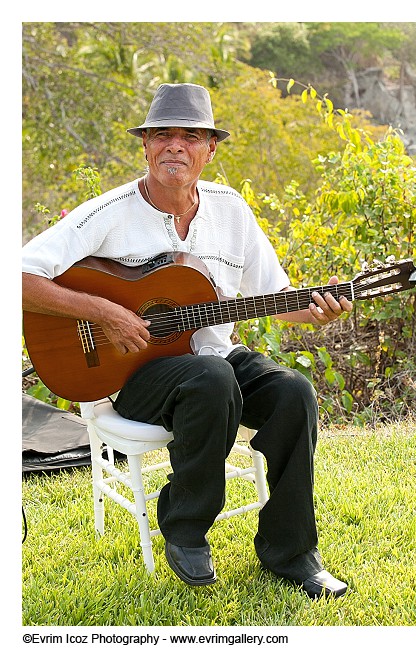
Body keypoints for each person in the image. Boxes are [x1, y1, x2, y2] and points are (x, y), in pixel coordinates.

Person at [21, 83, 353, 598]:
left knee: (293, 392)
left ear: (210, 149)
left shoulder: (230, 209)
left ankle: (292, 554)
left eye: (190, 136)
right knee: (211, 377)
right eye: (162, 135)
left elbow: (278, 296)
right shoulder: (109, 212)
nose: (175, 145)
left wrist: (317, 312)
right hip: (136, 373)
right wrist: (105, 312)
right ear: (146, 146)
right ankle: (186, 524)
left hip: (214, 357)